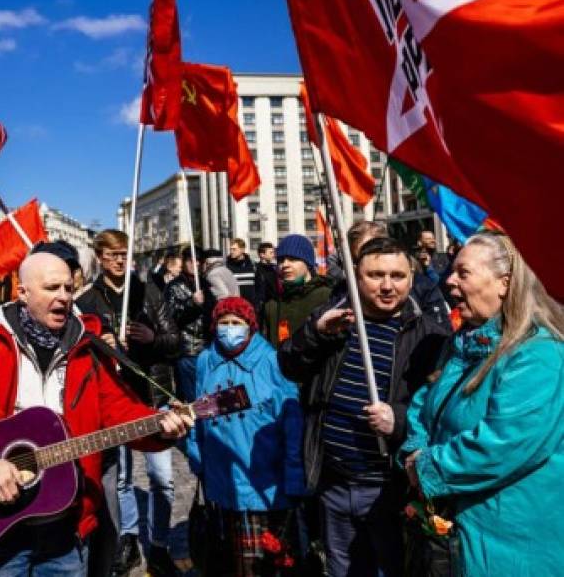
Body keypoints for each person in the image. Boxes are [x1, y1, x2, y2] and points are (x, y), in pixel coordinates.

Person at [0, 252, 193, 576]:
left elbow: (119, 410)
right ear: (22, 292)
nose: (63, 296)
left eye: (68, 288)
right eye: (51, 287)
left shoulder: (85, 348)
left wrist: (160, 428)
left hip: (66, 528)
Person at [278, 237, 449, 577]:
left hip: (390, 490)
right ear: (357, 277)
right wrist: (315, 332)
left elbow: (439, 415)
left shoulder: (431, 337)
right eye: (376, 275)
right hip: (333, 483)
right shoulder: (334, 318)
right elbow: (289, 366)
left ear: (411, 280)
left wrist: (398, 421)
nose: (387, 286)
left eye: (398, 276)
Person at [399, 232, 564, 575]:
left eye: (463, 272)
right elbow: (425, 406)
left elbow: (506, 443)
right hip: (464, 530)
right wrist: (415, 449)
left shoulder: (537, 354)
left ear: (504, 283)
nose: (450, 281)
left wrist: (429, 467)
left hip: (513, 537)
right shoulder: (462, 346)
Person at [75, 230, 182, 577]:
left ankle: (161, 544)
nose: (121, 260)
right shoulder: (87, 300)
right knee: (120, 480)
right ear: (100, 257)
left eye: (125, 253)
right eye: (113, 254)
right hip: (113, 400)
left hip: (154, 394)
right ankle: (129, 538)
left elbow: (175, 341)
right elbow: (78, 352)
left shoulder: (147, 291)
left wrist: (152, 338)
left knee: (162, 477)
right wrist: (101, 343)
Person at [186, 297, 304, 575]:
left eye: (236, 323)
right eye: (223, 323)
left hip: (262, 484)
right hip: (220, 483)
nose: (229, 329)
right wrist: (196, 458)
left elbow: (292, 420)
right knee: (226, 565)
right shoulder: (205, 360)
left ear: (250, 327)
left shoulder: (272, 361)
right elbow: (196, 413)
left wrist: (294, 475)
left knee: (261, 567)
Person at [260, 235, 332, 349]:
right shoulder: (272, 305)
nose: (285, 265)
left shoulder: (326, 297)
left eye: (293, 259)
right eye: (281, 260)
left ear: (308, 264)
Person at [165, 246, 208, 402]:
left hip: (207, 349)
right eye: (191, 260)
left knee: (207, 396)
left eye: (198, 261)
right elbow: (171, 317)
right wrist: (192, 303)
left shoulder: (205, 284)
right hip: (186, 350)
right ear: (184, 262)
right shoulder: (174, 286)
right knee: (191, 399)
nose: (195, 264)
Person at [227, 239, 257, 304]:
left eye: (234, 249)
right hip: (234, 305)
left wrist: (258, 303)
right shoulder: (226, 267)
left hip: (251, 306)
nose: (231, 251)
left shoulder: (253, 265)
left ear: (242, 250)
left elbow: (259, 286)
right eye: (230, 249)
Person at [253, 242, 278, 322]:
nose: (273, 255)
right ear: (262, 255)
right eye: (270, 252)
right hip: (261, 307)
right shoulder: (256, 270)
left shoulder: (274, 269)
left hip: (274, 304)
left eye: (273, 252)